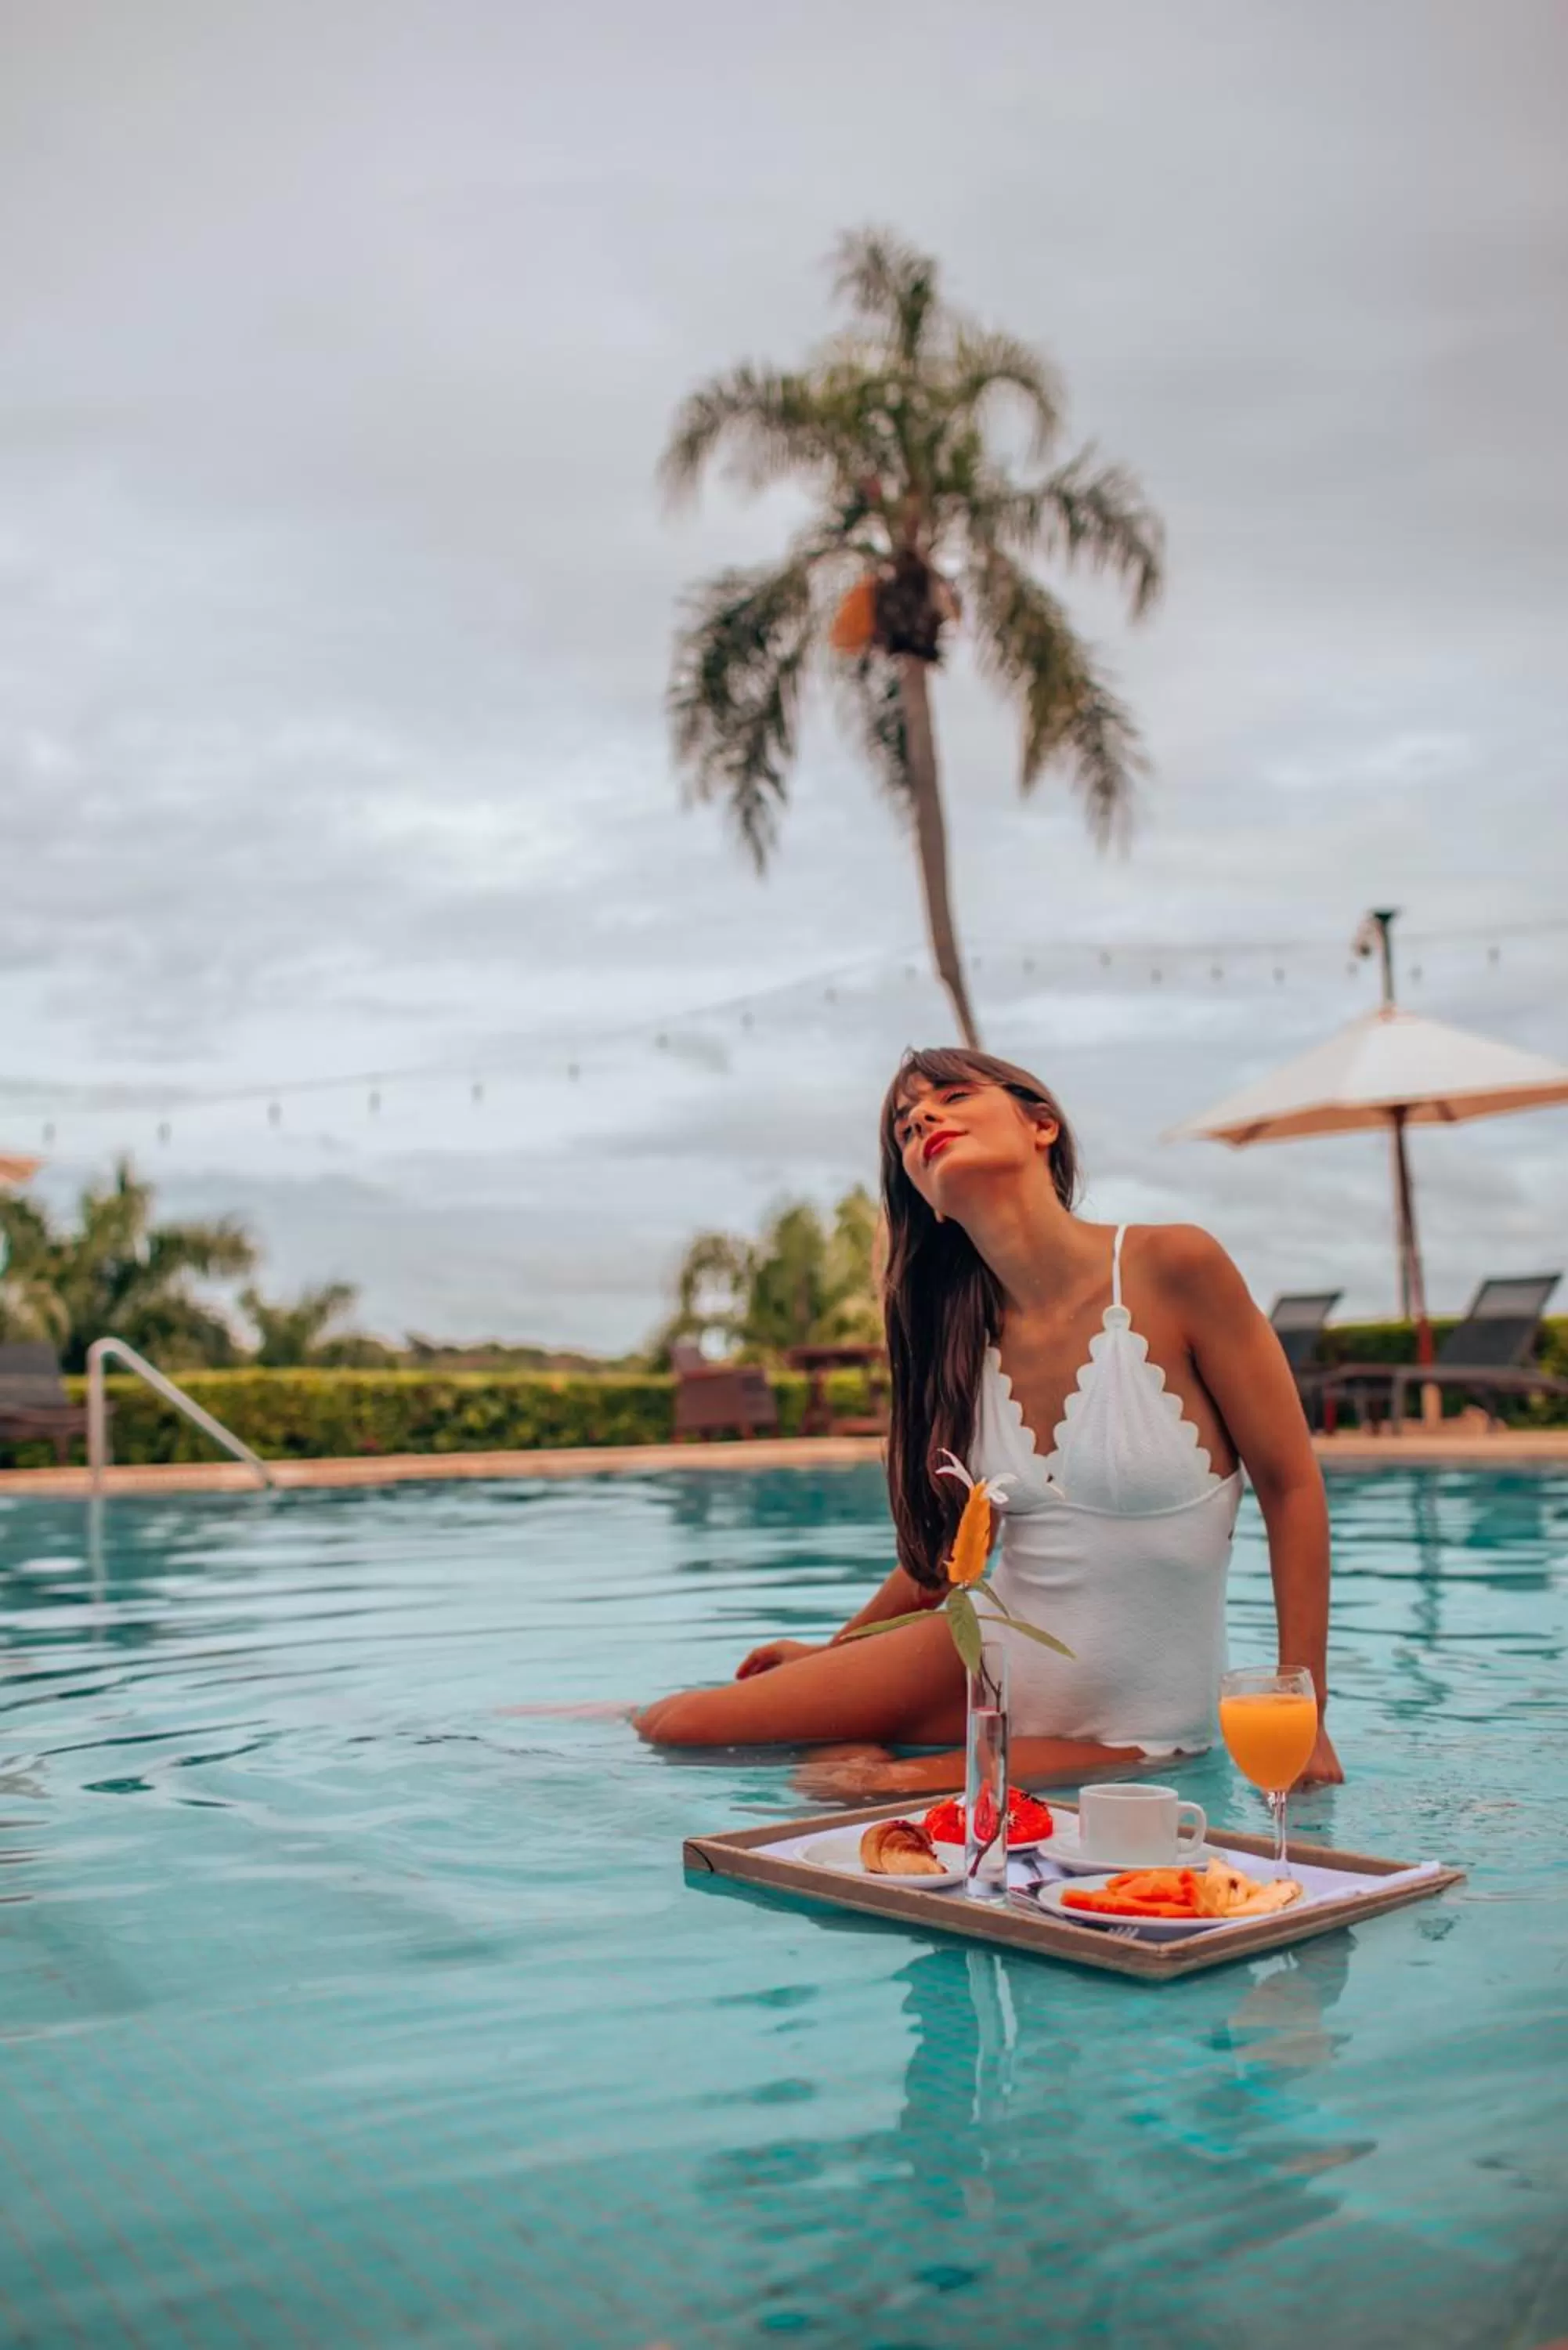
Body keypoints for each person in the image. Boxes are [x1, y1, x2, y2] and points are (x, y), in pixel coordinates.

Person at [636, 1047, 1343, 1798]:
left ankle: (871, 1742)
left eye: (950, 1095)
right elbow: (944, 1560)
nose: (923, 1119)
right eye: (906, 1128)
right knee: (674, 1725)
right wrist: (829, 1655)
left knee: (851, 1784)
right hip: (983, 1656)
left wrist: (1307, 1716)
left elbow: (1291, 1487)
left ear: (1042, 1126)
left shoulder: (1175, 1266)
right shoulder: (960, 1340)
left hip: (1139, 1727)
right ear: (930, 1201)